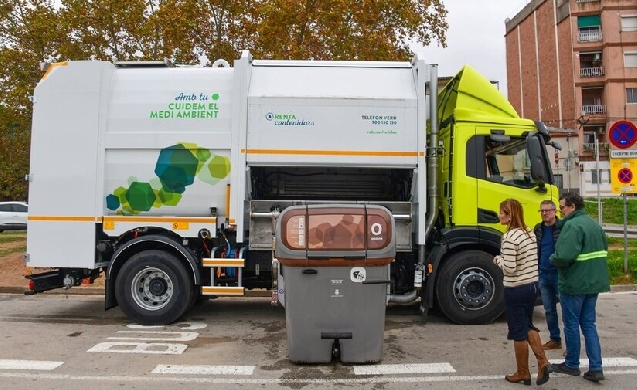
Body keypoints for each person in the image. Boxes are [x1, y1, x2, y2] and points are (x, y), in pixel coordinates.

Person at [549, 192, 610, 382]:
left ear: (572, 206)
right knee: (589, 325)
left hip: (574, 284)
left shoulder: (573, 226)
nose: (561, 211)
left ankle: (572, 364)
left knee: (571, 324)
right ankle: (596, 367)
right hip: (594, 283)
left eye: (563, 208)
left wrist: (551, 258)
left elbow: (563, 256)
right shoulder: (593, 224)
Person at [493, 199, 550, 386]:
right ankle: (542, 361)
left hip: (516, 288)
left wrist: (498, 260)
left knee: (518, 331)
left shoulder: (510, 238)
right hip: (532, 286)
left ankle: (523, 372)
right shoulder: (529, 233)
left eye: (502, 212)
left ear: (510, 215)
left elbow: (509, 268)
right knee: (528, 325)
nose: (499, 215)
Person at [533, 200, 562, 351]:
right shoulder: (539, 228)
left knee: (567, 309)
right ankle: (555, 339)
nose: (544, 213)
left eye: (547, 210)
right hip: (543, 274)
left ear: (555, 211)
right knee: (549, 309)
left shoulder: (562, 227)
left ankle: (571, 344)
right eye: (542, 211)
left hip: (559, 274)